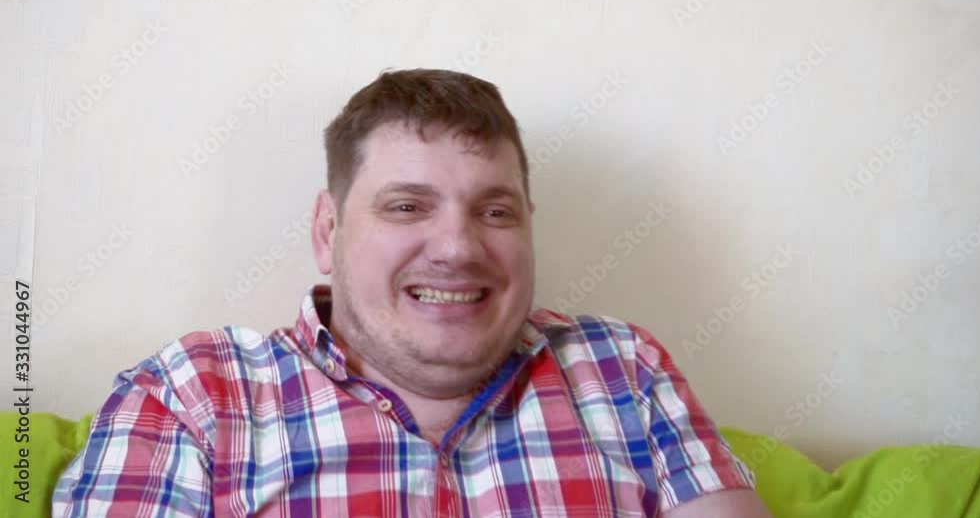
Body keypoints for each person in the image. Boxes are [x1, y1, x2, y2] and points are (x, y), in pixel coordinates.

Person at [53, 69, 773, 517]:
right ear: (328, 229)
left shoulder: (622, 369)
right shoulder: (191, 396)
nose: (458, 247)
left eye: (496, 211)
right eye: (406, 206)